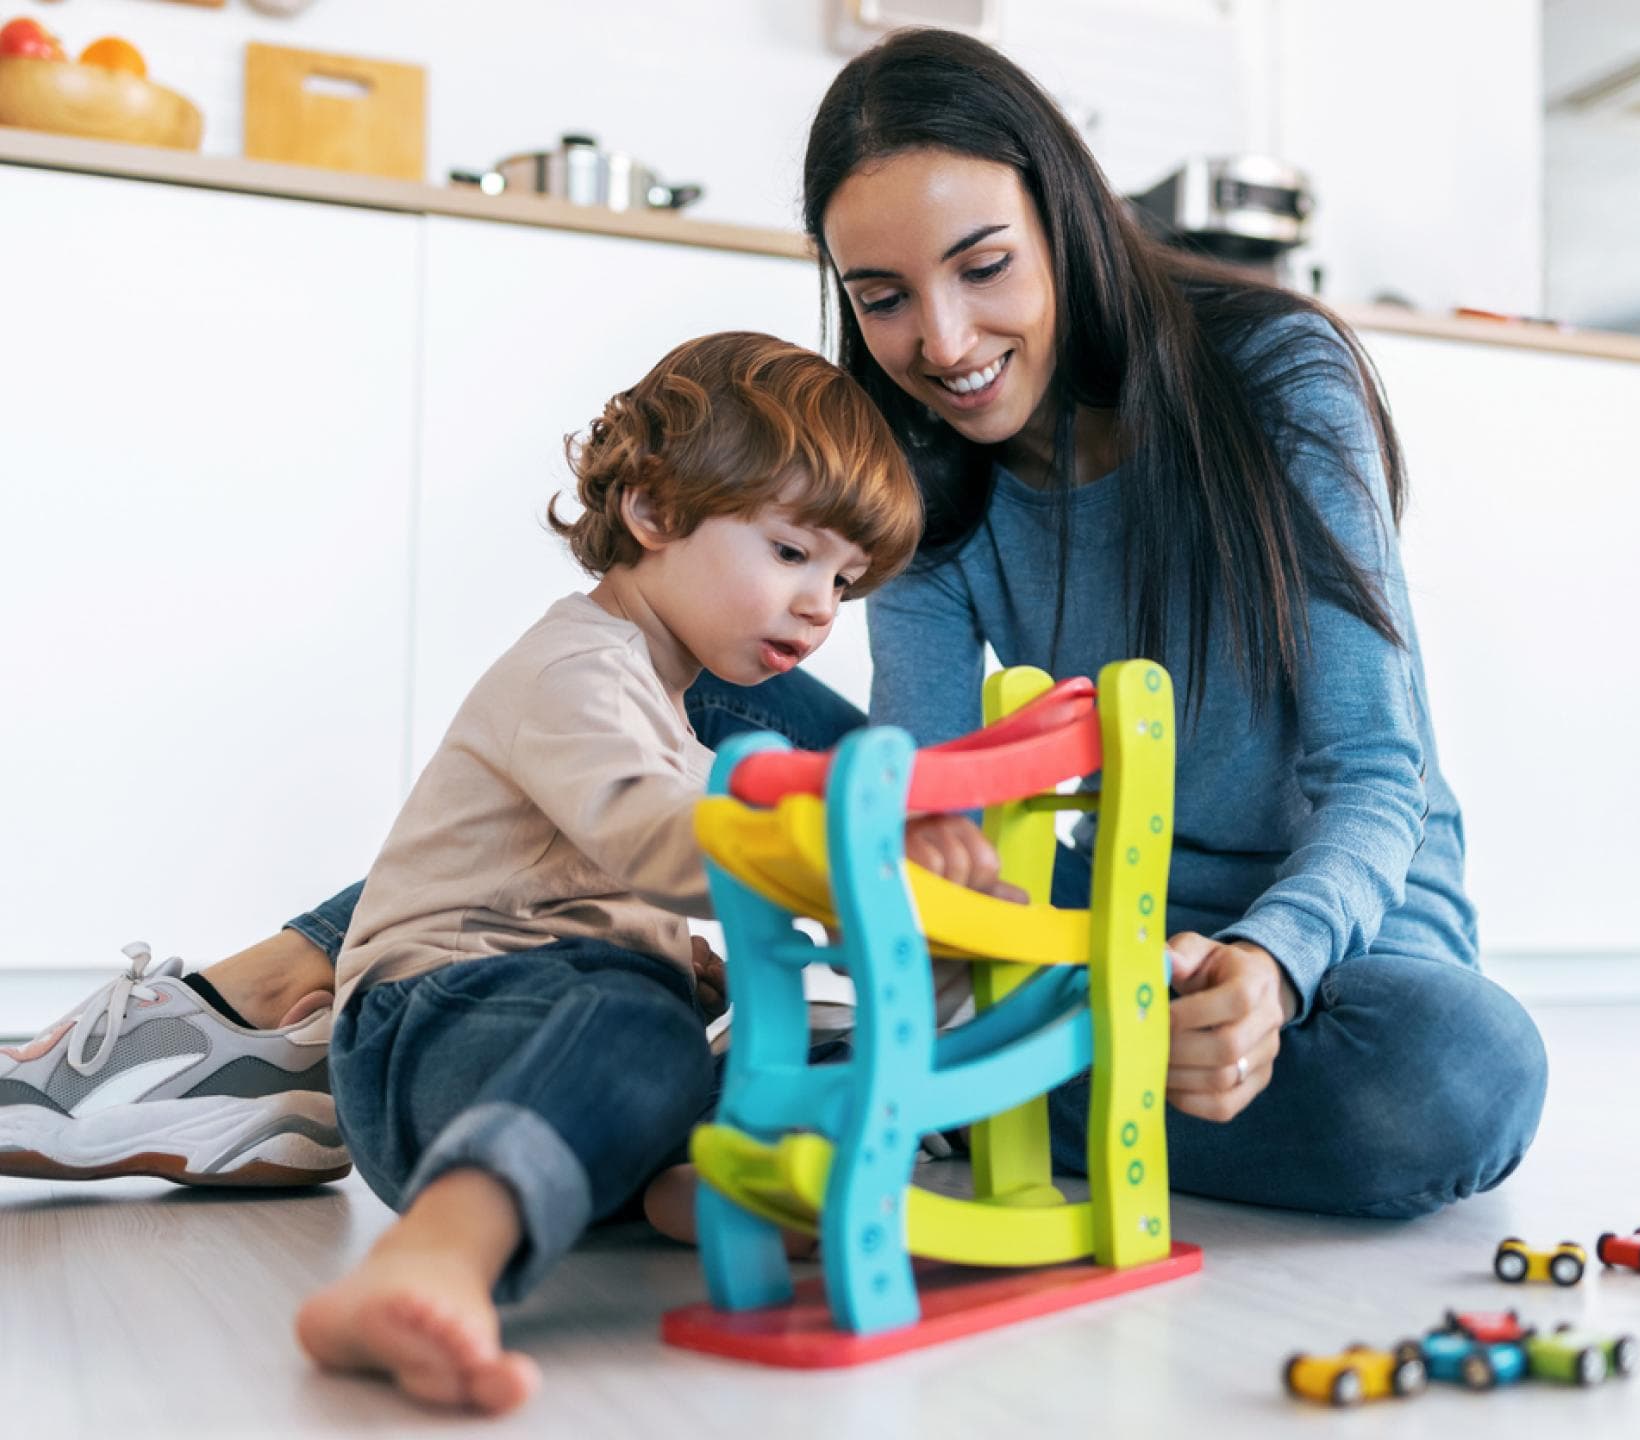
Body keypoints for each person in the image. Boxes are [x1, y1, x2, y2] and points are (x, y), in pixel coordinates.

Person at [7, 30, 1544, 1235]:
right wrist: (983, 940)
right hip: (1064, 942)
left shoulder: (1274, 375)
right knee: (718, 688)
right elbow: (942, 800)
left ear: (1065, 218)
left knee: (1464, 1082)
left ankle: (805, 1076)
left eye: (985, 267)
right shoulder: (915, 462)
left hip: (1326, 961)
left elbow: (1376, 777)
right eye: (880, 297)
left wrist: (1268, 969)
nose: (941, 343)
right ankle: (269, 1010)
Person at [281, 331, 1019, 1414]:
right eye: (790, 553)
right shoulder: (575, 667)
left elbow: (660, 894)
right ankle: (433, 1256)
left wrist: (941, 924)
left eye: (844, 579)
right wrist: (849, 856)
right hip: (433, 1025)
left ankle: (691, 1190)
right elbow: (652, 837)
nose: (822, 606)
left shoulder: (675, 712)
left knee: (771, 1044)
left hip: (549, 1031)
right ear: (655, 511)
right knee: (642, 1029)